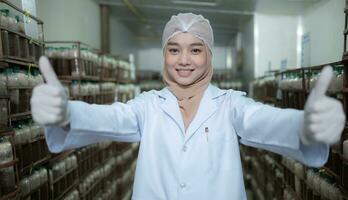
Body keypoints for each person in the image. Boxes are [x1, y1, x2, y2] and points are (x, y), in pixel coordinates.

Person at [30, 13, 345, 199]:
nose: (183, 60)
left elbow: (261, 120)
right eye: (174, 49)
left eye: (195, 49)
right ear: (164, 55)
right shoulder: (149, 106)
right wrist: (66, 112)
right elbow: (110, 117)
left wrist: (303, 126)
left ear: (209, 55)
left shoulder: (230, 105)